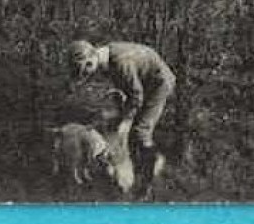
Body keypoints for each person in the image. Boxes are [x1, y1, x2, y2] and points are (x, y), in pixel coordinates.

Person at [68, 39, 176, 188]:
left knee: (140, 132)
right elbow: (127, 87)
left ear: (90, 62)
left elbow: (136, 94)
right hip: (145, 82)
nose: (88, 76)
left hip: (159, 84)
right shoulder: (107, 59)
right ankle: (136, 170)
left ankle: (147, 182)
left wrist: (126, 121)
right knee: (127, 130)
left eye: (85, 71)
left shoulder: (120, 62)